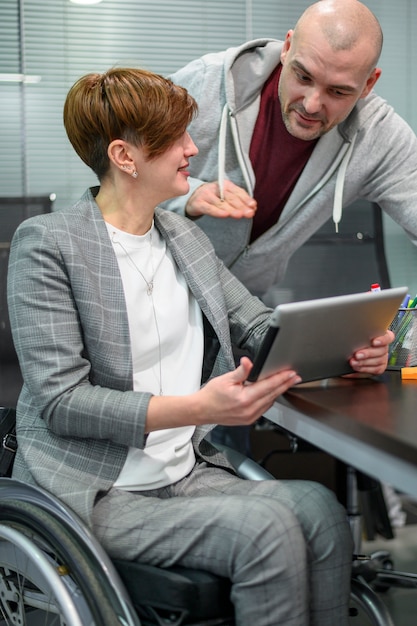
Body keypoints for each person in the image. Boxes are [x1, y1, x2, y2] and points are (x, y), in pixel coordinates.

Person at [7, 66, 393, 626]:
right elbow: (62, 401)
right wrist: (198, 409)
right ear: (125, 156)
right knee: (265, 532)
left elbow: (258, 327)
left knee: (321, 511)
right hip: (99, 490)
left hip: (182, 473)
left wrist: (348, 345)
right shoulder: (48, 244)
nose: (193, 148)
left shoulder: (183, 236)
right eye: (177, 139)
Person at [163, 0, 417, 301]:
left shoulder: (380, 137)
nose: (311, 104)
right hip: (161, 286)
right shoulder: (204, 84)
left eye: (338, 91)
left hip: (244, 309)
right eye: (303, 76)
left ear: (368, 84)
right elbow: (123, 172)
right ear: (287, 47)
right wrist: (189, 194)